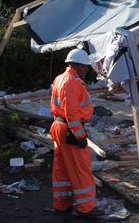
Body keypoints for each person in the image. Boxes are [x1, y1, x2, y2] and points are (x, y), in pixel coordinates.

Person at [50, 48, 104, 218]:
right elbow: (72, 113)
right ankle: (86, 208)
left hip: (60, 127)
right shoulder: (72, 82)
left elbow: (58, 108)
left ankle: (62, 205)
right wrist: (79, 135)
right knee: (81, 169)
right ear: (76, 65)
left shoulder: (60, 79)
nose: (87, 69)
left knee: (63, 169)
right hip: (70, 129)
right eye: (85, 66)